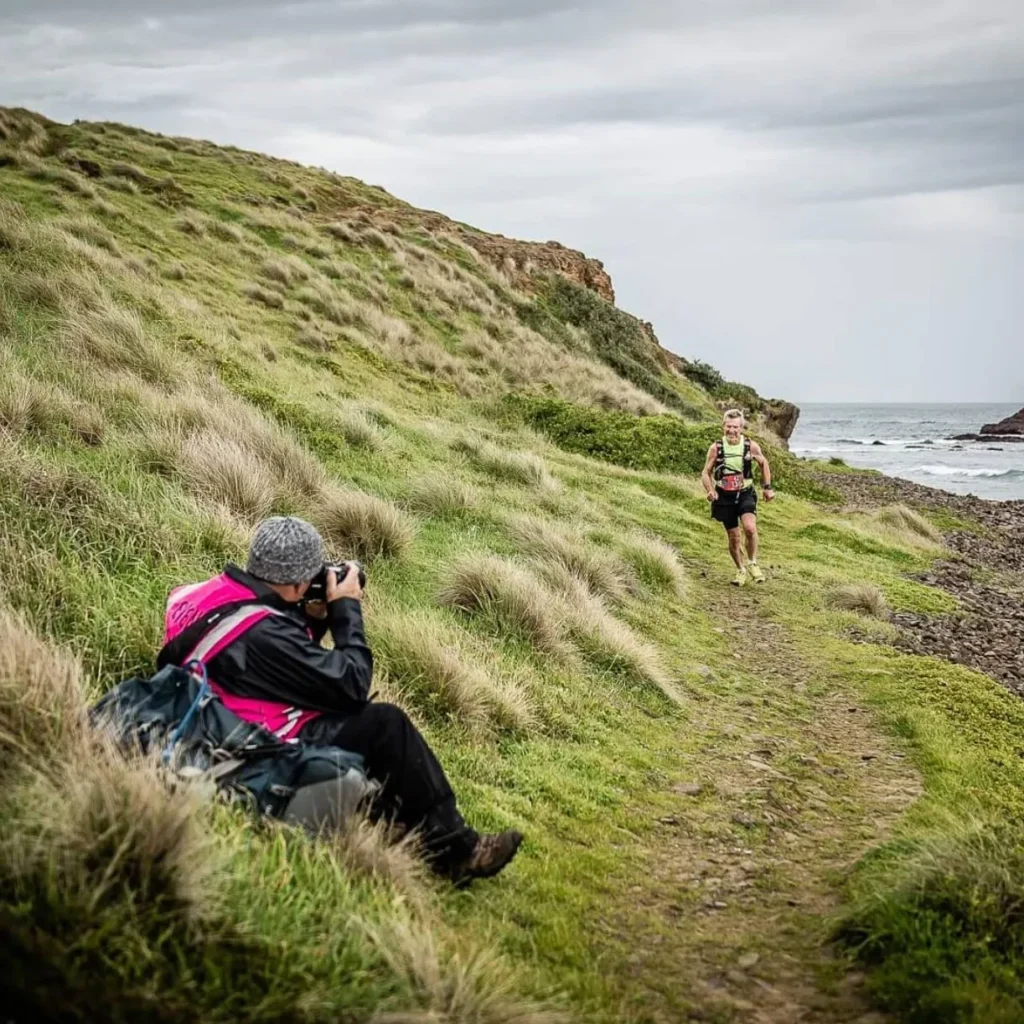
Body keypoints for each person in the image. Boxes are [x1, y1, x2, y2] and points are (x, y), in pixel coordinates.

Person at [159, 515, 523, 882]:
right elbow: (351, 685)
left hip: (206, 713)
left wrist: (311, 618)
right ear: (301, 581)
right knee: (384, 725)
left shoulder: (193, 595)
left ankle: (393, 825)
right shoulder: (267, 634)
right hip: (251, 742)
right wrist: (346, 610)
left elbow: (260, 661)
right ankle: (459, 852)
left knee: (358, 723)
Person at [700, 409, 775, 586]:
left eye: (735, 427)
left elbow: (764, 463)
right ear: (723, 426)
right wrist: (710, 490)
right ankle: (740, 569)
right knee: (734, 537)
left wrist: (767, 488)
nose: (732, 430)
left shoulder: (751, 446)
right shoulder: (716, 448)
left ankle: (753, 562)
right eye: (728, 426)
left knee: (749, 528)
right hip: (724, 496)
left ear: (741, 428)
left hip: (745, 493)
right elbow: (706, 472)